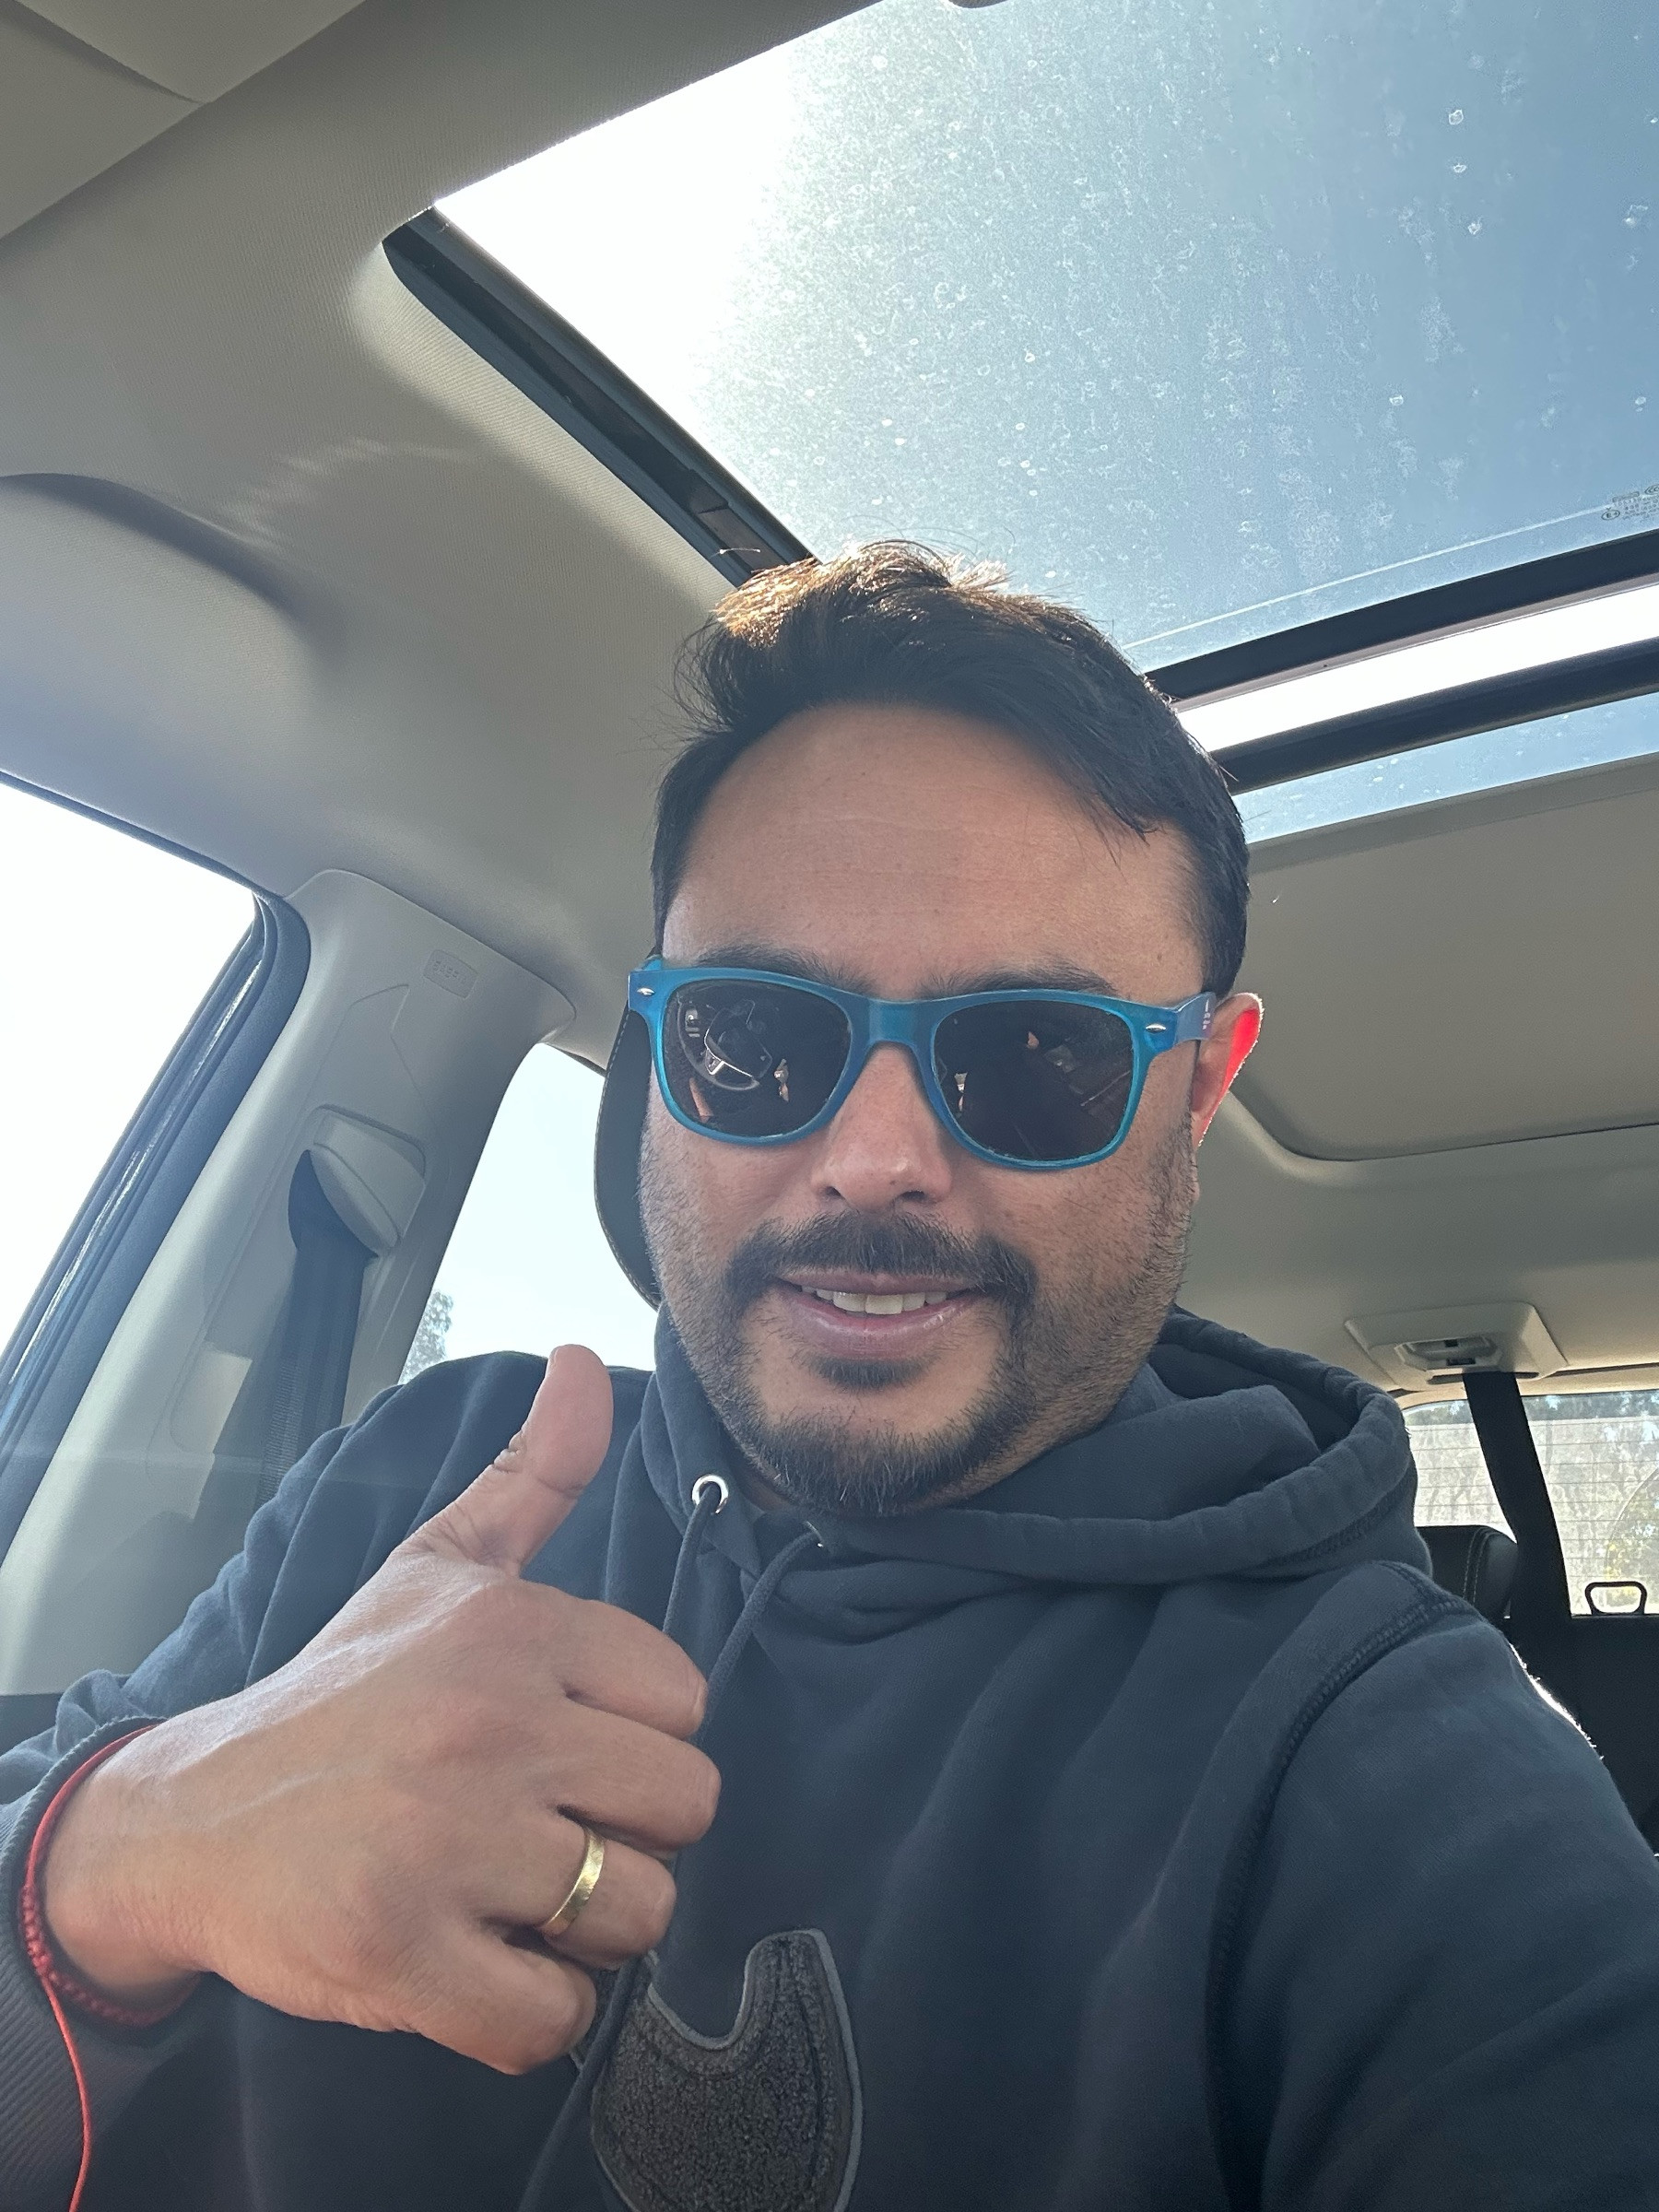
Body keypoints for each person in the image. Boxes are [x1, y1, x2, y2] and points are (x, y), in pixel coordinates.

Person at [4, 545, 1658, 2212]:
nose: (875, 1159)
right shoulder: (418, 1475)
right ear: (662, 1052)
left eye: (1036, 1055)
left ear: (1200, 1090)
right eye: (756, 1039)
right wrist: (133, 1851)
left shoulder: (1379, 1761)